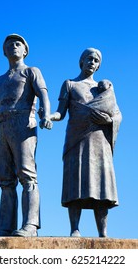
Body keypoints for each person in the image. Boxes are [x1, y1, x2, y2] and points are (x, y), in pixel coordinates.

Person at [47, 48, 122, 237]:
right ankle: (75, 229)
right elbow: (61, 113)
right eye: (89, 58)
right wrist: (50, 117)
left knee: (102, 186)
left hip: (100, 141)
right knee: (75, 183)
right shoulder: (70, 84)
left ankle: (103, 232)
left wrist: (109, 121)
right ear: (81, 61)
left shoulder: (104, 89)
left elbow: (117, 114)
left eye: (96, 60)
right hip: (77, 140)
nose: (92, 62)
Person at [0, 33, 52, 237]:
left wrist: (46, 115)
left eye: (18, 44)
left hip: (24, 123)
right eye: (10, 45)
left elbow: (43, 94)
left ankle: (30, 225)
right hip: (2, 127)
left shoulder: (31, 71)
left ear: (25, 50)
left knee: (27, 175)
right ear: (4, 52)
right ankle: (5, 226)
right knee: (5, 180)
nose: (14, 46)